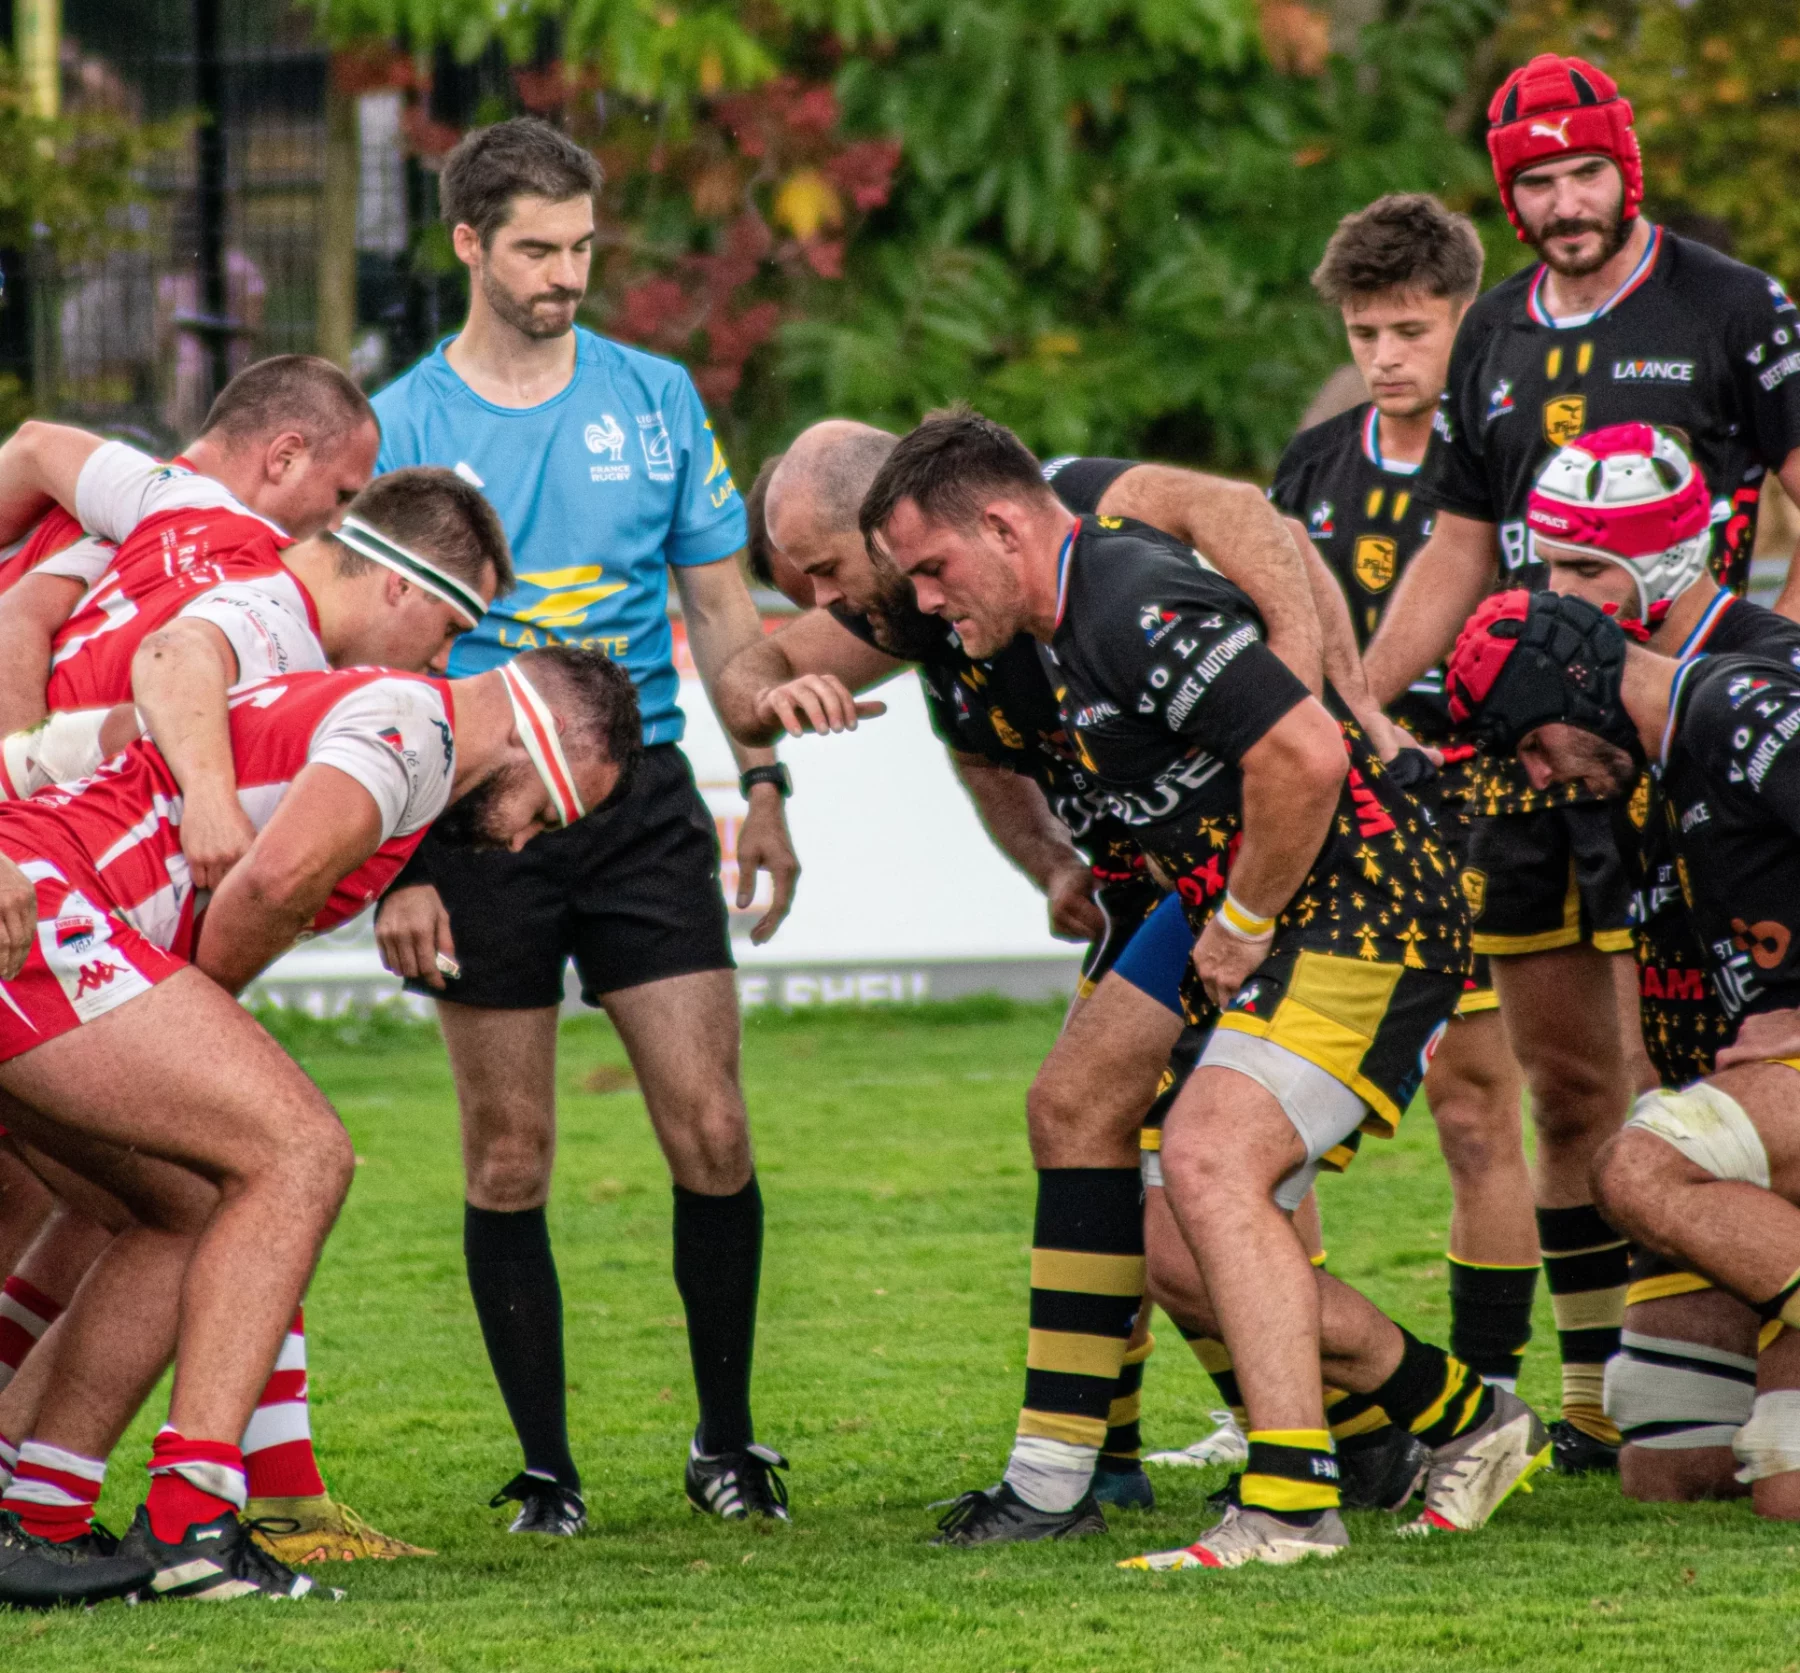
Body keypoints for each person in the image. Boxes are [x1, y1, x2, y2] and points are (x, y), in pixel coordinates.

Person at [867, 409, 1547, 1570]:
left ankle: (1289, 1505)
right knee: (1167, 1229)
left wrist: (1237, 920)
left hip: (1365, 905)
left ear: (1003, 523)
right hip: (1258, 904)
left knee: (1206, 1157)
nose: (924, 602)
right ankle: (1463, 1415)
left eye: (932, 569)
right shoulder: (1051, 623)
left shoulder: (1126, 599)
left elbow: (1307, 755)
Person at [723, 424, 1429, 1523]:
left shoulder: (1069, 529)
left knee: (1204, 1176)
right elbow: (813, 689)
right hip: (1166, 881)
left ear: (893, 526)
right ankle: (1107, 1464)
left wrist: (1307, 682)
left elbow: (1247, 512)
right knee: (1097, 1126)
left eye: (825, 568)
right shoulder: (915, 599)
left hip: (1290, 860)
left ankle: (1378, 1430)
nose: (821, 601)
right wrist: (772, 711)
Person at [1362, 53, 1800, 1472]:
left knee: (1706, 1052)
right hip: (1544, 746)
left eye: (1583, 173)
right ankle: (1607, 1387)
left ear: (1628, 168)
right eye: (1535, 182)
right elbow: (1457, 552)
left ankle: (1745, 1330)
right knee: (1569, 1089)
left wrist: (1755, 686)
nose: (1563, 204)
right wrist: (1361, 706)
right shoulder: (1488, 333)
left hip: (1694, 743)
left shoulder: (1735, 306)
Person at [0, 644, 639, 1605]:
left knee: (181, 1205)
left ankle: (35, 1514)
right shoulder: (416, 732)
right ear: (530, 739)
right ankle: (192, 1523)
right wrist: (191, 1013)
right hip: (55, 912)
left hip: (50, 898)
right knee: (299, 1152)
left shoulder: (365, 706)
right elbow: (271, 882)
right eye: (542, 813)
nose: (519, 844)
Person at [369, 117, 799, 1533]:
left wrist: (768, 781)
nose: (567, 274)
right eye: (539, 250)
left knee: (715, 1129)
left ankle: (728, 1446)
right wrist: (405, 867)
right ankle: (546, 1472)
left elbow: (727, 617)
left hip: (647, 803)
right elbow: (375, 668)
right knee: (509, 1156)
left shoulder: (659, 395)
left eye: (583, 247)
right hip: (478, 818)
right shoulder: (404, 426)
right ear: (469, 247)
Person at [1444, 587, 1800, 1519]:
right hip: (1773, 1133)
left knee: (1631, 1165)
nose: (1535, 778)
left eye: (1532, 745)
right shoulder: (1647, 792)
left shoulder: (1741, 709)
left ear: (1578, 687)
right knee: (1669, 1461)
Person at [1274, 193, 1538, 1396]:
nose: (1384, 356)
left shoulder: (1502, 455)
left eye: (1411, 330)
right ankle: (1288, 1379)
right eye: (1364, 331)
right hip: (1327, 815)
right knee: (1273, 1117)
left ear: (1462, 322)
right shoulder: (1311, 469)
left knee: (1477, 1110)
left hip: (1478, 812)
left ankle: (1492, 1391)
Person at [1526, 422, 1800, 1503]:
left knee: (1786, 1489)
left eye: (1588, 566)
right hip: (1728, 1111)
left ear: (1673, 564)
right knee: (1666, 1461)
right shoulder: (1591, 700)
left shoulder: (1761, 678)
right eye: (1547, 566)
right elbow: (1644, 915)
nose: (1563, 592)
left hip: (1778, 1099)